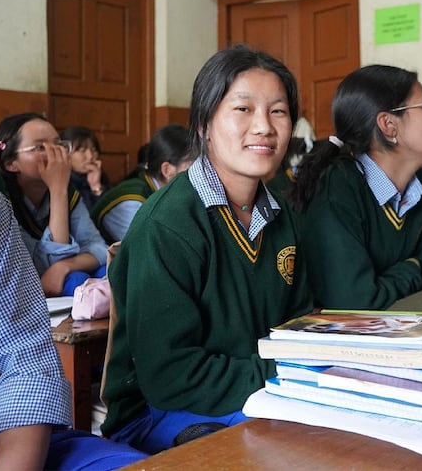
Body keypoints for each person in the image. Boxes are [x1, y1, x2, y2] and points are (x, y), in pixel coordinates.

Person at [101, 45, 311, 454]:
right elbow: (169, 375)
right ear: (203, 125)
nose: (264, 127)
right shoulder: (168, 223)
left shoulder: (282, 215)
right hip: (160, 409)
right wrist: (285, 373)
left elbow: (299, 326)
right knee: (292, 448)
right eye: (243, 109)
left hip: (264, 389)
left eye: (278, 111)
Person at [290, 65, 422, 326]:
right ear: (389, 125)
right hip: (348, 329)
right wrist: (411, 269)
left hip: (401, 322)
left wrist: (389, 282)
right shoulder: (339, 185)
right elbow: (354, 303)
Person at [0, 189, 147, 470]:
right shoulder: (133, 201)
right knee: (80, 279)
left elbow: (97, 248)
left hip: (10, 433)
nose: (55, 163)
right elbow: (45, 266)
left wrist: (58, 190)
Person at [0, 113, 108, 296]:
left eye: (58, 144)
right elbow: (41, 268)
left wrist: (64, 266)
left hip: (60, 278)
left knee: (106, 274)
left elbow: (99, 247)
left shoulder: (68, 191)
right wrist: (57, 190)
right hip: (21, 294)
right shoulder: (2, 199)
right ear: (11, 163)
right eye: (40, 147)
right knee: (77, 281)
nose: (55, 154)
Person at [90, 123, 195, 244]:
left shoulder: (166, 192)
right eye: (192, 167)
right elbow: (152, 247)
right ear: (167, 170)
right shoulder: (132, 203)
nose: (198, 174)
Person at [60, 126, 111, 211]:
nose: (90, 156)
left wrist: (96, 186)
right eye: (82, 150)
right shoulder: (62, 184)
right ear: (65, 153)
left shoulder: (101, 178)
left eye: (94, 150)